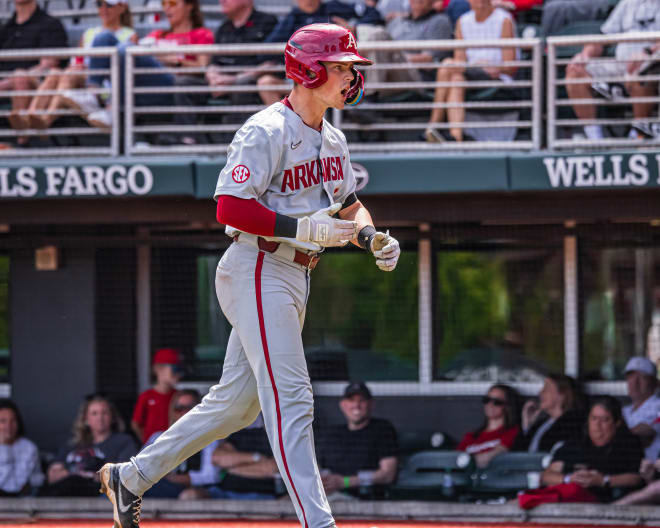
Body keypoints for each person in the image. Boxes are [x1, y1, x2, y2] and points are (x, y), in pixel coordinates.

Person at [98, 23, 400, 528]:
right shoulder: (266, 130)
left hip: (293, 274)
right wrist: (302, 227)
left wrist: (371, 237)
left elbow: (350, 206)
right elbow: (230, 208)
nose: (351, 76)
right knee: (293, 396)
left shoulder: (332, 138)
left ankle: (131, 475)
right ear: (309, 68)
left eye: (351, 68)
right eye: (342, 66)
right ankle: (319, 523)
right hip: (256, 265)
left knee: (235, 407)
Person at [83, 0, 214, 128]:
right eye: (164, 3)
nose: (167, 8)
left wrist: (173, 60)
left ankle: (115, 110)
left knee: (126, 49)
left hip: (173, 85)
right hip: (145, 82)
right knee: (104, 37)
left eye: (172, 3)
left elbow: (202, 67)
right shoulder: (157, 34)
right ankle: (93, 95)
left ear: (189, 5)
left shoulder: (201, 33)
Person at [172, 0, 278, 144]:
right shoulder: (224, 27)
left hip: (247, 81)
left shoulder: (267, 22)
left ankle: (236, 144)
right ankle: (188, 141)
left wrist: (233, 80)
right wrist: (213, 77)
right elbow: (213, 62)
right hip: (221, 82)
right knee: (184, 83)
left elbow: (271, 63)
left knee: (243, 85)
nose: (222, 1)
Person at [24, 0, 136, 131]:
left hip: (106, 84)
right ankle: (30, 116)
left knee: (69, 75)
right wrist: (78, 67)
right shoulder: (88, 33)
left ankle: (45, 120)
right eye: (100, 5)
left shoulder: (129, 35)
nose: (104, 9)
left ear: (122, 8)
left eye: (109, 5)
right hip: (81, 79)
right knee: (55, 73)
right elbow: (77, 60)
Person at [565, 0, 660, 141]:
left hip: (653, 64)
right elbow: (604, 36)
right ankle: (594, 139)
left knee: (642, 70)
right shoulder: (628, 3)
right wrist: (585, 54)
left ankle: (638, 134)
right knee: (575, 71)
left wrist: (648, 52)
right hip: (620, 64)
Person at [256, 0, 383, 105]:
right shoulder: (293, 19)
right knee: (265, 82)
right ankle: (283, 131)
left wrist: (354, 28)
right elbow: (266, 51)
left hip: (337, 76)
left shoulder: (333, 8)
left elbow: (374, 14)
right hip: (303, 79)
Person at [425, 0, 518, 142]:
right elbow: (459, 60)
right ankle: (456, 136)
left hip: (495, 76)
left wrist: (492, 66)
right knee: (455, 76)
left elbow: (510, 67)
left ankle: (432, 126)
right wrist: (475, 65)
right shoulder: (463, 21)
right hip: (469, 74)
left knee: (448, 65)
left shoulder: (504, 19)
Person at [540, 396, 644, 503]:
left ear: (617, 422)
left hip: (615, 505)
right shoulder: (575, 443)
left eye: (604, 420)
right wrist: (568, 479)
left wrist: (604, 480)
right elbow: (546, 476)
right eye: (594, 418)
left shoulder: (628, 443)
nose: (597, 425)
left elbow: (637, 478)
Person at [40, 394, 137, 497]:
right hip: (66, 492)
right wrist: (76, 475)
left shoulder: (123, 442)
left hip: (99, 494)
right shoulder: (72, 444)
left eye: (104, 413)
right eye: (94, 413)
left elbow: (125, 476)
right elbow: (52, 476)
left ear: (112, 418)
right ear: (86, 419)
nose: (100, 418)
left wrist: (92, 477)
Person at [0, 0, 67, 144]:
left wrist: (9, 82)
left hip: (39, 86)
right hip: (5, 87)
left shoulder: (50, 24)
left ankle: (22, 142)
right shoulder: (6, 29)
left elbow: (48, 65)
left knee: (21, 77)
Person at [316, 381, 398, 498]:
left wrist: (344, 482)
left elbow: (387, 474)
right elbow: (316, 465)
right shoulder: (332, 433)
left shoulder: (382, 429)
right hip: (323, 496)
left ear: (371, 404)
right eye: (351, 400)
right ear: (343, 405)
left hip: (360, 499)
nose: (356, 405)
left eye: (362, 401)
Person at [356, 0, 452, 100]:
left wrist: (390, 56)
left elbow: (428, 58)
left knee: (379, 35)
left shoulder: (440, 21)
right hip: (385, 72)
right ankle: (346, 101)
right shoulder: (397, 21)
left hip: (415, 77)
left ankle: (371, 97)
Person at [144, 389, 225, 499]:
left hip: (197, 490)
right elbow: (141, 468)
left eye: (190, 408)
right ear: (172, 412)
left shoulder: (210, 438)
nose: (185, 413)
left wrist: (176, 479)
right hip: (159, 487)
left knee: (188, 495)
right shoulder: (158, 437)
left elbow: (212, 476)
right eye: (179, 409)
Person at [514, 374, 585, 453]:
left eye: (546, 389)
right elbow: (517, 450)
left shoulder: (572, 424)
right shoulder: (541, 423)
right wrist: (527, 426)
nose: (540, 393)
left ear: (562, 395)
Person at [457, 384, 520, 468]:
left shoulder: (512, 432)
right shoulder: (471, 436)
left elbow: (500, 452)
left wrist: (471, 462)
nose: (490, 405)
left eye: (497, 402)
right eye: (487, 400)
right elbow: (455, 459)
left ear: (507, 406)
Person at [131, 348, 183, 445]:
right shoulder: (146, 396)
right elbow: (136, 424)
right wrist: (146, 440)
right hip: (152, 446)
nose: (178, 374)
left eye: (180, 370)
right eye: (174, 369)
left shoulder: (179, 396)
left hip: (173, 445)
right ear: (158, 368)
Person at [0, 399, 44, 496]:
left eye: (13, 421)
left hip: (23, 501)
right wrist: (4, 447)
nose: (8, 426)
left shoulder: (28, 447)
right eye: (3, 421)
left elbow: (16, 486)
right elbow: (3, 483)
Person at [621, 357, 660, 461]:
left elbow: (645, 432)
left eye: (642, 377)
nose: (634, 382)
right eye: (631, 377)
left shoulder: (658, 406)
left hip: (649, 472)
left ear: (655, 383)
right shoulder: (625, 410)